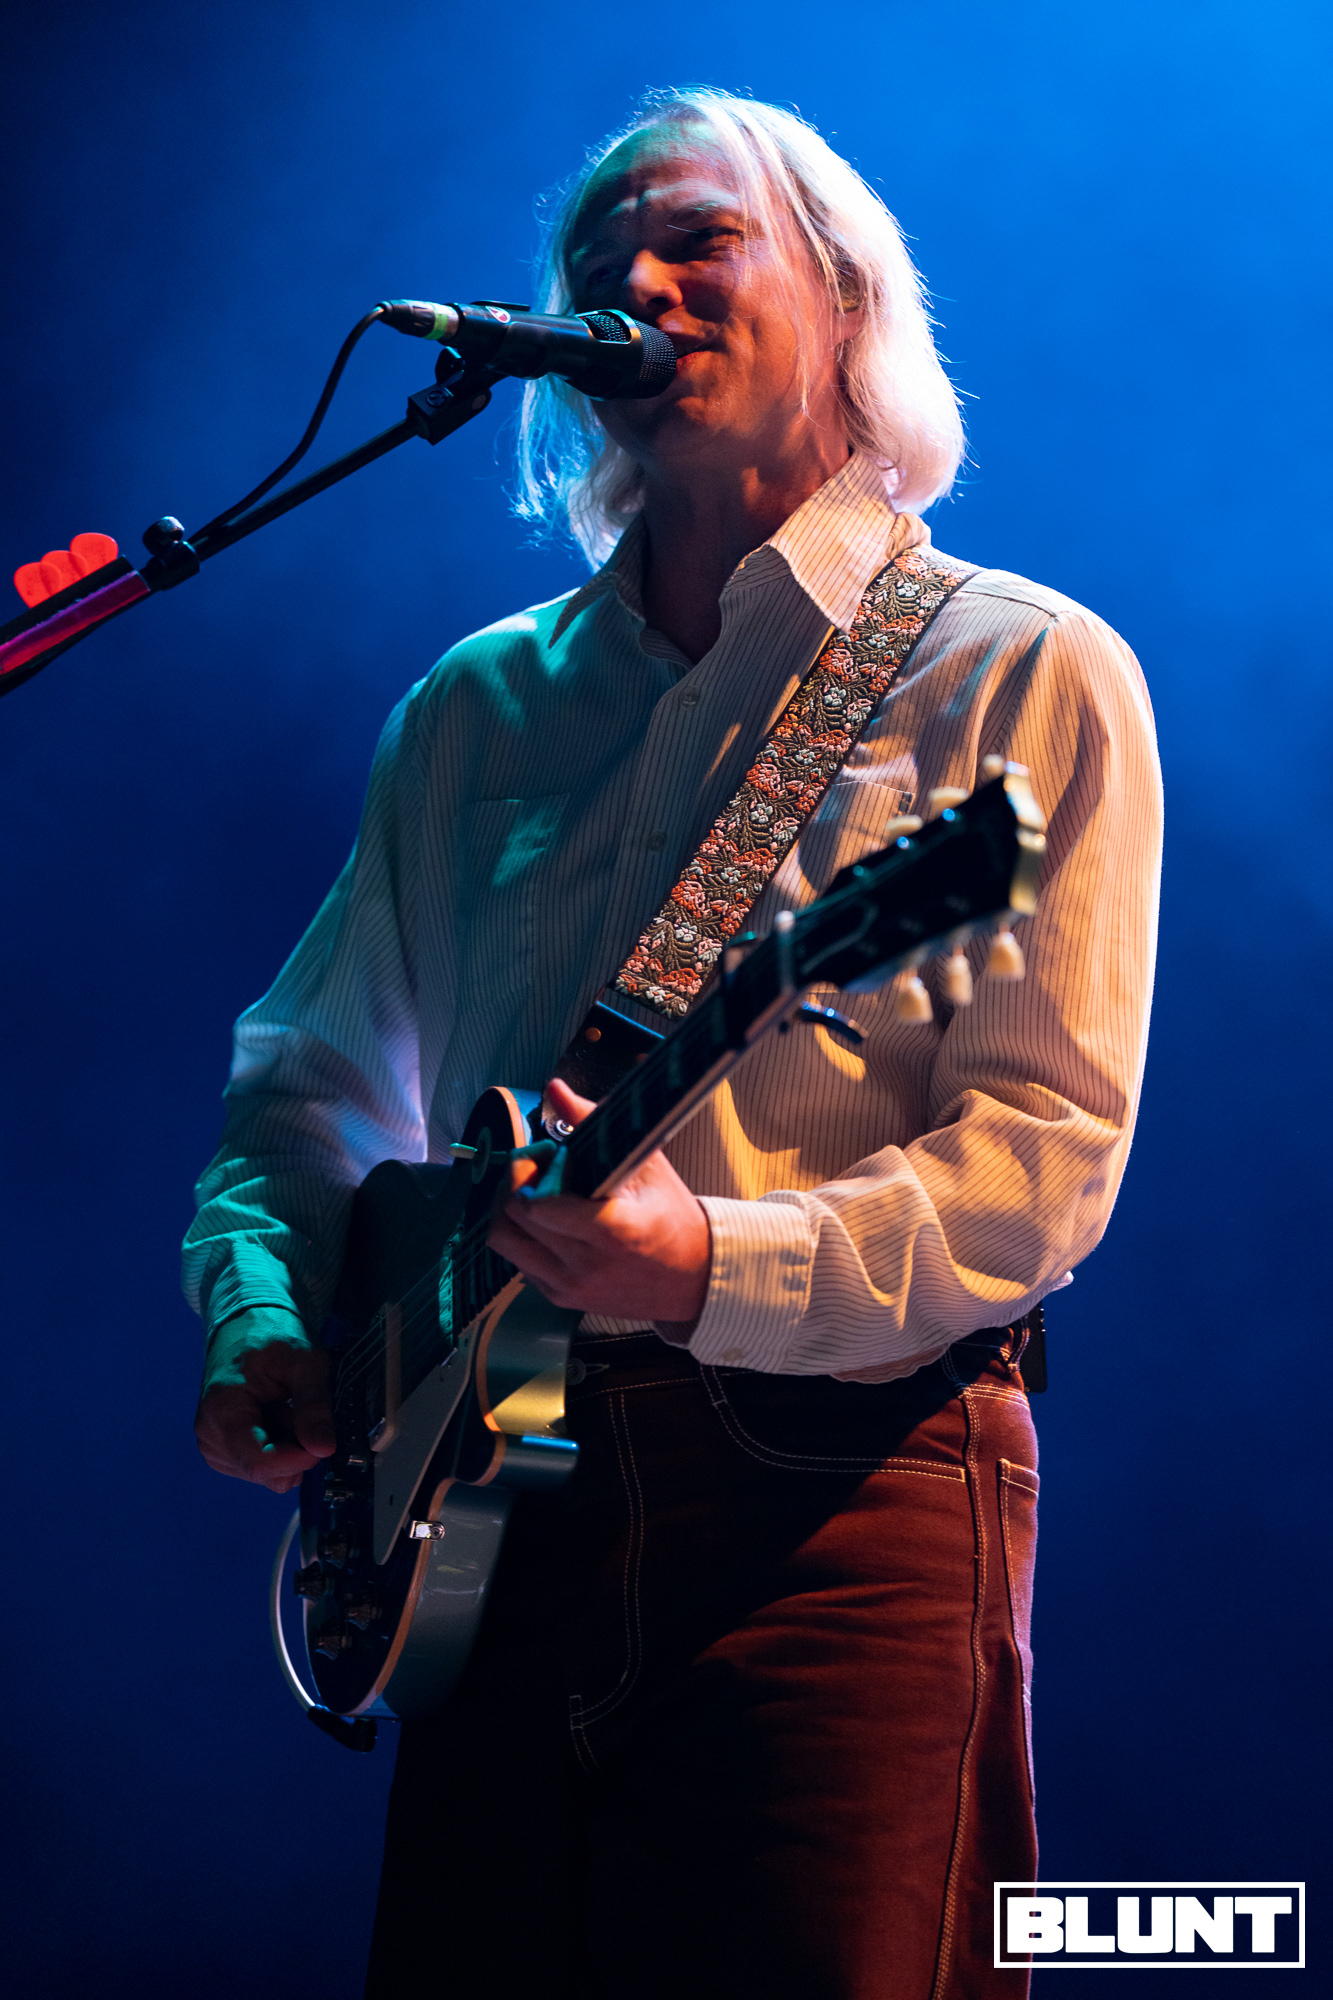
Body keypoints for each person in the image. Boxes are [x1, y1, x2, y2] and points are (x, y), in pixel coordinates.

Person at [187, 89, 1161, 2000]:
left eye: (697, 237)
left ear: (847, 294)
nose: (632, 280)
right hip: (486, 1508)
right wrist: (265, 1317)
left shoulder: (1015, 667)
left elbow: (1041, 1157)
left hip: (836, 1492)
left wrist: (706, 1261)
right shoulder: (476, 706)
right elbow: (302, 1088)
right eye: (595, 259)